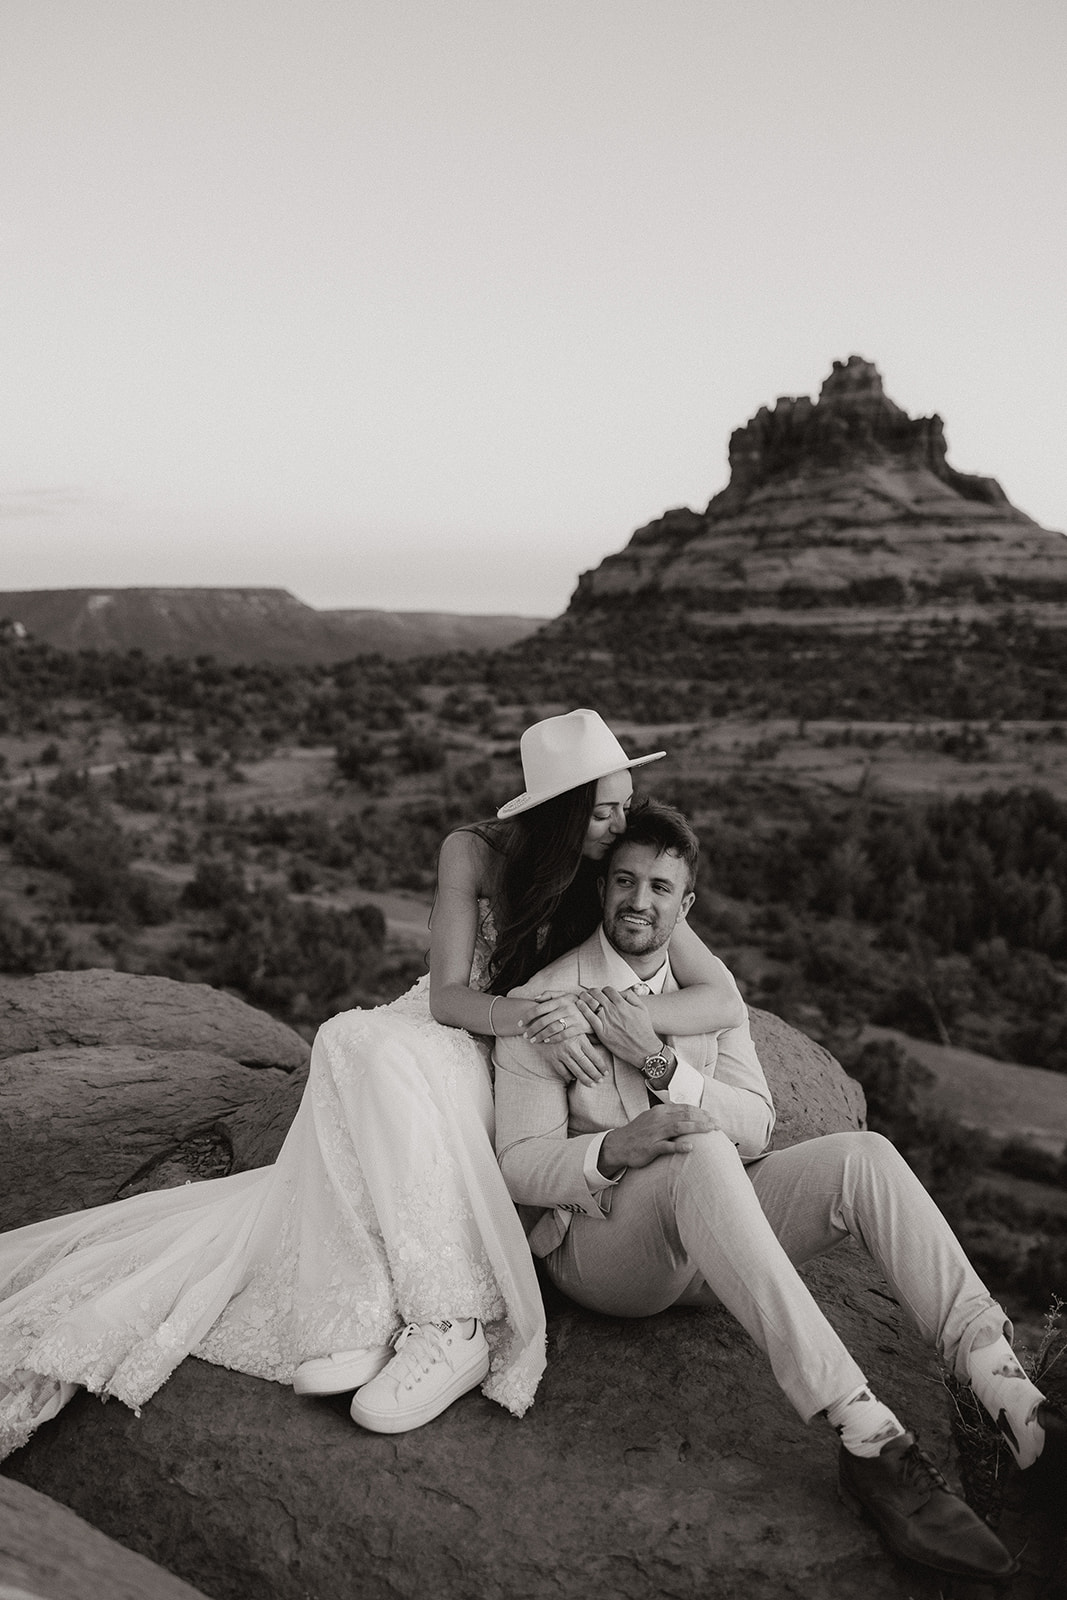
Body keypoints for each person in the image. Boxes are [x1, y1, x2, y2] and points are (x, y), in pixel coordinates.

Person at [0, 710, 744, 1457]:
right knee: (352, 1038)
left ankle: (446, 1317)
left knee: (365, 1057)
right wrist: (535, 1015)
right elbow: (450, 997)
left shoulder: (622, 871)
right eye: (605, 807)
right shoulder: (476, 852)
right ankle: (363, 1311)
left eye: (622, 802)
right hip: (461, 1022)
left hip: (514, 1056)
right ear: (561, 812)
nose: (621, 821)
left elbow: (720, 999)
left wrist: (594, 1016)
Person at [493, 798, 1065, 1584]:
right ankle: (867, 1437)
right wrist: (609, 1148)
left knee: (863, 1155)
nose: (638, 900)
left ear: (684, 905)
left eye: (660, 888)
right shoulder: (548, 1001)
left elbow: (756, 1130)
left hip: (716, 1227)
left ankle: (1010, 1398)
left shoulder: (709, 997)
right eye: (623, 881)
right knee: (695, 1147)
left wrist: (660, 1064)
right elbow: (519, 1162)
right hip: (605, 1249)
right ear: (601, 891)